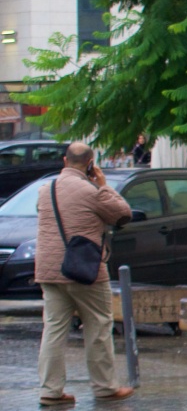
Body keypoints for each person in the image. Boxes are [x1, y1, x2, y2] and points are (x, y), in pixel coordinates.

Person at [34, 141, 135, 405]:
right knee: (99, 326)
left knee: (53, 330)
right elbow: (123, 214)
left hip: (48, 270)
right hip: (85, 269)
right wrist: (103, 184)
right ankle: (104, 386)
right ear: (90, 163)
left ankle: (50, 391)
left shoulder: (46, 189)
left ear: (65, 161)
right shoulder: (92, 191)